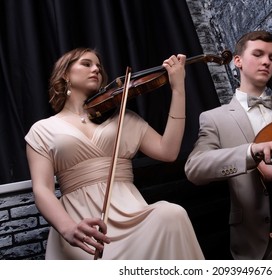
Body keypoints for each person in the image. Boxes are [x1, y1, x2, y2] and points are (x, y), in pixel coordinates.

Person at [25, 47, 204, 260]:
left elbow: (168, 152)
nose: (96, 70)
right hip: (79, 223)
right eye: (86, 64)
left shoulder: (123, 118)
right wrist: (68, 228)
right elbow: (42, 189)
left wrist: (178, 89)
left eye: (99, 67)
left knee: (171, 214)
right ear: (65, 74)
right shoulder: (42, 129)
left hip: (131, 214)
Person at [184, 30, 272, 260]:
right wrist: (250, 151)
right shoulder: (214, 118)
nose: (266, 61)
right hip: (260, 235)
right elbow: (194, 168)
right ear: (238, 61)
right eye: (258, 54)